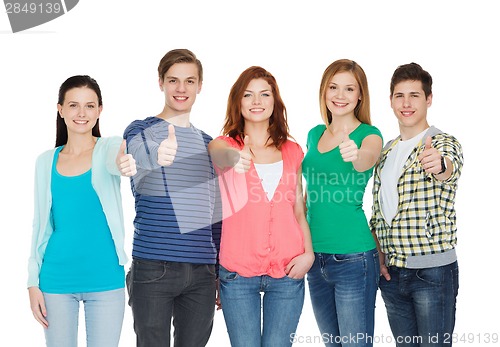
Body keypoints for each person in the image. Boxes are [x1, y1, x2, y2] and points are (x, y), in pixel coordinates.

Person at [27, 75, 137, 347]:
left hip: (105, 277)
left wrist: (127, 161)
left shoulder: (108, 147)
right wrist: (32, 282)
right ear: (60, 109)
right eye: (74, 105)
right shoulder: (45, 162)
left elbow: (120, 157)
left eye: (90, 106)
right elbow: (40, 225)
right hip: (55, 279)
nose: (82, 113)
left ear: (100, 110)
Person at [208, 66, 314, 347]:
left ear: (274, 102)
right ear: (238, 102)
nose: (257, 101)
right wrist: (233, 157)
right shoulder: (224, 145)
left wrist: (309, 254)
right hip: (238, 273)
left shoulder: (292, 151)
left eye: (264, 94)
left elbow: (298, 210)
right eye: (248, 95)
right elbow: (216, 152)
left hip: (289, 270)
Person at [123, 48, 221, 347]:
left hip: (203, 272)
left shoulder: (209, 144)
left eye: (189, 81)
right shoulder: (141, 130)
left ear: (200, 86)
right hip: (154, 267)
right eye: (173, 80)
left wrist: (218, 270)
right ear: (161, 83)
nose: (181, 88)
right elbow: (138, 154)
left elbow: (215, 213)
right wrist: (158, 155)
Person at [370, 62, 463, 347]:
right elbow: (379, 209)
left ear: (429, 99)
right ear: (391, 101)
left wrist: (440, 165)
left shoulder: (442, 142)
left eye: (414, 95)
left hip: (431, 274)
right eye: (400, 96)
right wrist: (379, 252)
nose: (406, 103)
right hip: (392, 274)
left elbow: (450, 168)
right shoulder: (385, 151)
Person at [301, 59, 383, 347]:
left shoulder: (369, 135)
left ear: (360, 95)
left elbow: (367, 160)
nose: (340, 95)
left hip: (353, 258)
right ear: (324, 91)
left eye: (349, 89)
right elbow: (308, 195)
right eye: (333, 87)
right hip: (314, 258)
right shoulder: (314, 134)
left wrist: (355, 154)